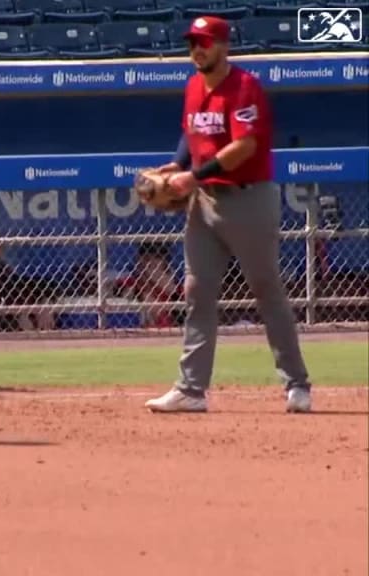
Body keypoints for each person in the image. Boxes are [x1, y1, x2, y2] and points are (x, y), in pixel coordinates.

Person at [144, 16, 313, 414]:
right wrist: (177, 164)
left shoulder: (244, 87)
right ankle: (190, 389)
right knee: (196, 292)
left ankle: (297, 384)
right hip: (206, 203)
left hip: (248, 199)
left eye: (205, 42)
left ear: (224, 46)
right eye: (192, 43)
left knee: (266, 289)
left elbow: (244, 147)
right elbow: (193, 132)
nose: (197, 49)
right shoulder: (192, 86)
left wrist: (193, 176)